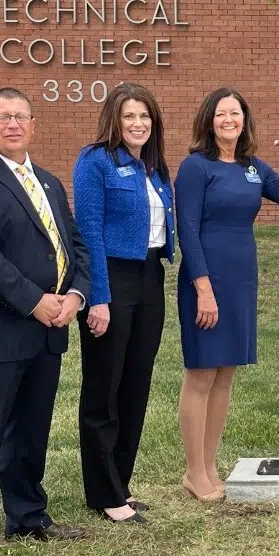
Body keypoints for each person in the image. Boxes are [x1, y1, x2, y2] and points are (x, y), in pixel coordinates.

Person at [0, 87, 91, 556]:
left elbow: (74, 246)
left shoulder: (49, 182)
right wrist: (34, 301)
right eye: (1, 116)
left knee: (31, 432)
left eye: (20, 117)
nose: (12, 125)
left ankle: (27, 516)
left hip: (48, 330)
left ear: (34, 125)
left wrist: (75, 296)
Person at [175, 87, 279, 501]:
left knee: (225, 374)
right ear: (208, 121)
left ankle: (210, 466)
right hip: (206, 280)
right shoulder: (196, 168)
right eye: (221, 114)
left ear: (245, 119)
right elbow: (188, 231)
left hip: (242, 279)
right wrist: (203, 289)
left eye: (236, 113)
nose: (229, 120)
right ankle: (194, 472)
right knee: (202, 373)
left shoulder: (253, 168)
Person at [73, 84, 173, 525]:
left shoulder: (152, 167)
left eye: (145, 117)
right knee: (104, 387)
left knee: (136, 384)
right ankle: (102, 491)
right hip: (111, 278)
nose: (138, 124)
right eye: (130, 116)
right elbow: (89, 229)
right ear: (114, 119)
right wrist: (99, 297)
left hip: (150, 277)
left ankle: (121, 484)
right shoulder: (95, 162)